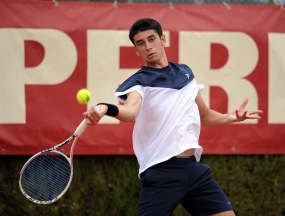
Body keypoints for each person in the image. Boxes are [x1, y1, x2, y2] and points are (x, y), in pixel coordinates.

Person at [83, 18, 263, 216]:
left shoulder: (185, 73)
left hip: (193, 171)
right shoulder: (140, 81)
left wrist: (231, 117)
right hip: (161, 173)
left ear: (163, 39)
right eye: (140, 43)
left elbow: (205, 115)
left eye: (151, 39)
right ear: (136, 50)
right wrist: (103, 107)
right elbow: (129, 112)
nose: (148, 47)